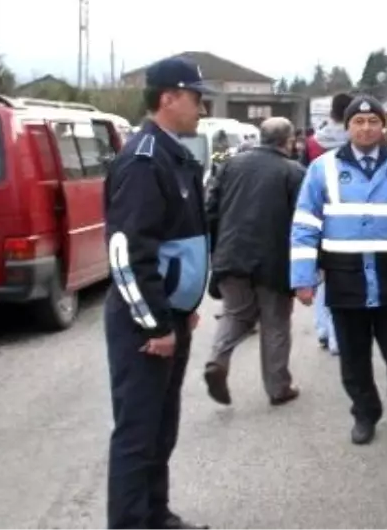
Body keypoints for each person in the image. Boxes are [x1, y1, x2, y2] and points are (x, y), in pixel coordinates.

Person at [290, 95, 387, 445]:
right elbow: (305, 225)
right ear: (347, 126)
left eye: (373, 121)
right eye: (359, 122)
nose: (366, 127)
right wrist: (303, 279)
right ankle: (365, 414)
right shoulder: (322, 168)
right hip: (345, 277)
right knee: (354, 356)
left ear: (383, 126)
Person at [104, 56, 212, 530]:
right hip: (144, 324)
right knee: (137, 433)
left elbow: (180, 241)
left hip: (170, 316)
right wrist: (155, 323)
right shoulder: (145, 160)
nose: (202, 107)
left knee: (161, 430)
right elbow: (127, 252)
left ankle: (154, 514)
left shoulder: (175, 155)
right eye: (196, 96)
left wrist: (183, 307)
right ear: (168, 97)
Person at [202, 117, 307, 407]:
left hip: (231, 254)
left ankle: (217, 359)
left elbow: (210, 209)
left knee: (235, 313)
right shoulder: (294, 171)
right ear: (289, 141)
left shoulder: (230, 165)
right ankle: (278, 387)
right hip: (273, 259)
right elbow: (303, 222)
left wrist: (216, 249)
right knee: (275, 322)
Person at [304, 93, 353, 354]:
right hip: (347, 213)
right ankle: (338, 336)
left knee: (321, 272)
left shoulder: (313, 143)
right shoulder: (356, 141)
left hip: (318, 212)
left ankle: (323, 328)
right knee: (342, 274)